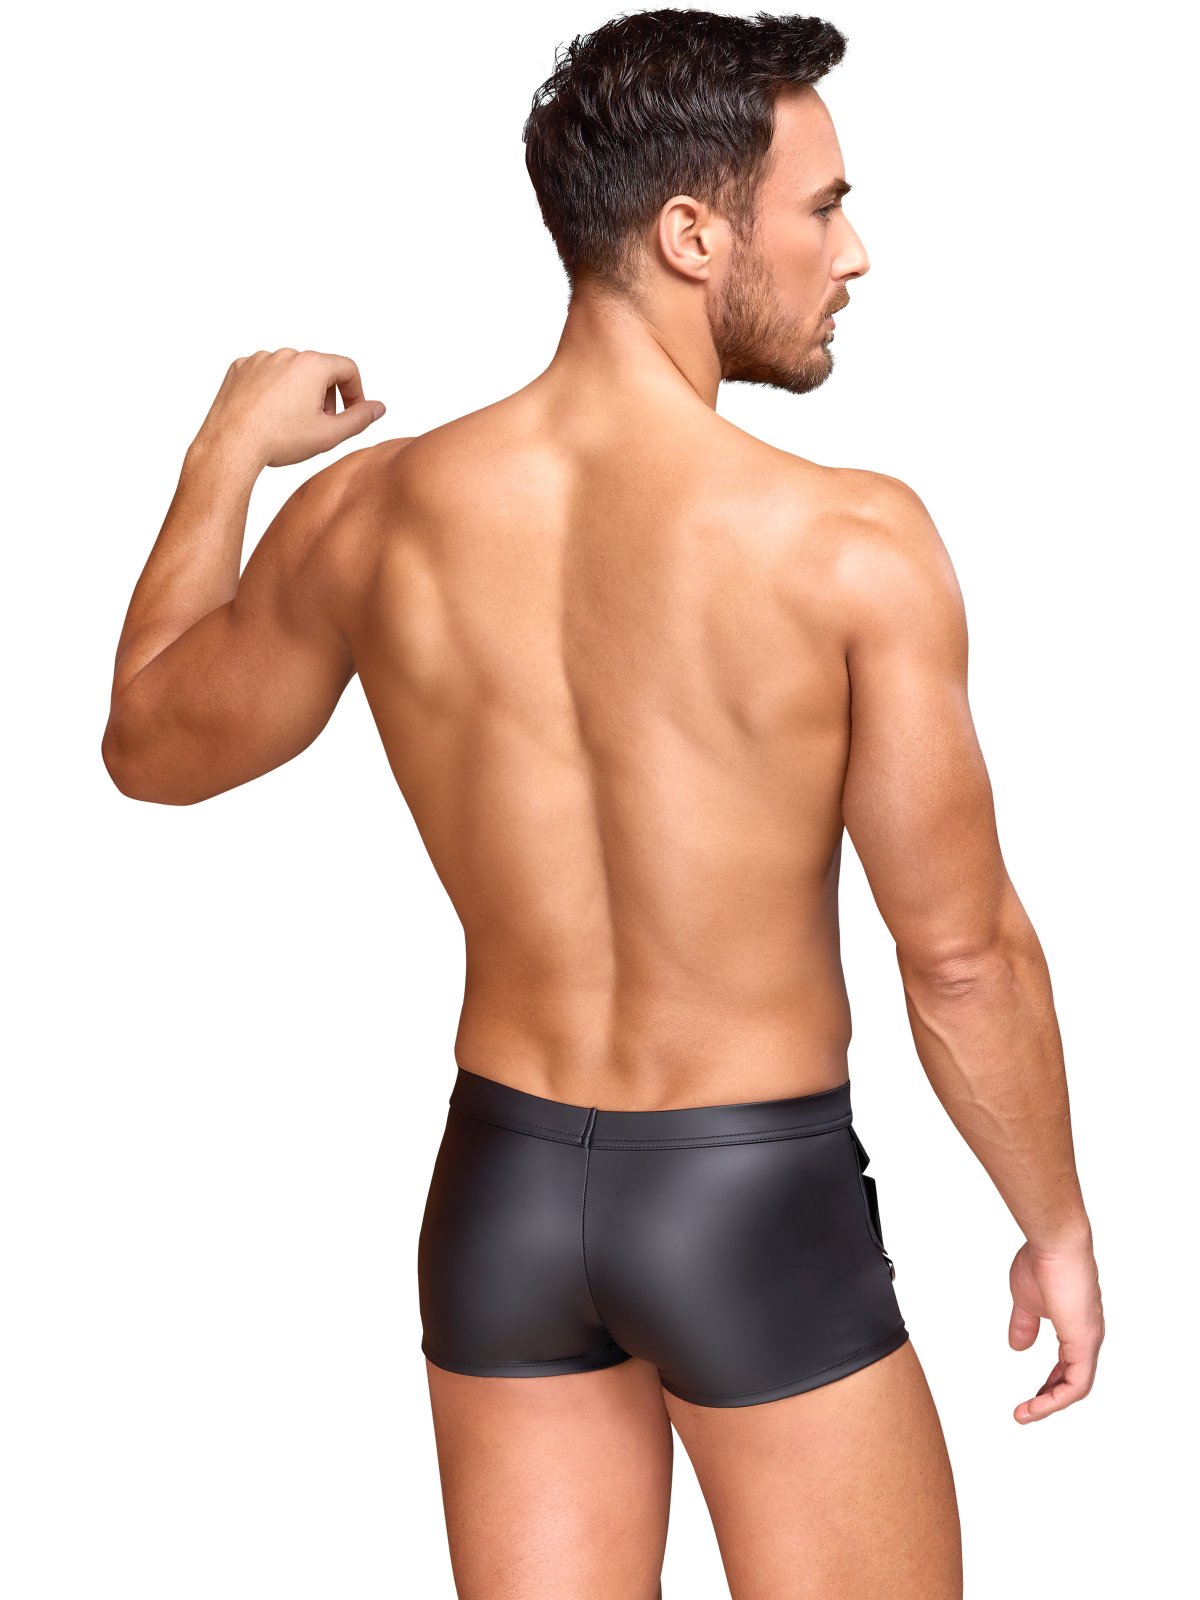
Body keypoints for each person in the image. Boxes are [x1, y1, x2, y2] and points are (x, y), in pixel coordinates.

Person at [101, 9, 1104, 1597]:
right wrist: (1053, 1220)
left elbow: (152, 743)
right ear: (692, 235)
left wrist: (228, 447)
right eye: (824, 208)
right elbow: (962, 952)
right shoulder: (851, 543)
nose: (854, 254)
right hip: (751, 1201)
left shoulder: (372, 515)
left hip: (502, 1192)